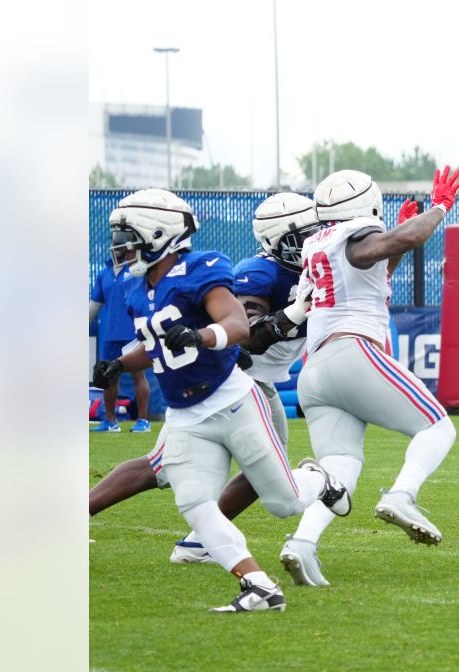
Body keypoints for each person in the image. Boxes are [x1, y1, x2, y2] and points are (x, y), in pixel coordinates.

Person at [91, 188, 350, 612]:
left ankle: (319, 481)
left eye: (128, 236)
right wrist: (118, 363)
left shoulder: (202, 267)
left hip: (233, 398)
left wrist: (202, 335)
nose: (121, 246)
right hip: (187, 411)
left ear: (159, 234)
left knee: (283, 501)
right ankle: (259, 586)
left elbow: (235, 325)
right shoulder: (139, 289)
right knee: (194, 503)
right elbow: (158, 344)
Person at [245, 167, 459, 586]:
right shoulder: (354, 235)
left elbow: (372, 264)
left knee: (339, 474)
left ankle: (302, 543)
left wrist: (397, 233)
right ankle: (402, 495)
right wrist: (439, 208)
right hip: (353, 351)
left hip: (316, 371)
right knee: (437, 428)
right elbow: (399, 240)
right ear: (365, 208)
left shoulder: (315, 243)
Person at [168, 192, 322, 565]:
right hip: (236, 378)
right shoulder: (260, 272)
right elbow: (249, 337)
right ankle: (197, 540)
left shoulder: (309, 267)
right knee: (160, 467)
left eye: (315, 233)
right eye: (301, 237)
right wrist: (299, 309)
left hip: (253, 380)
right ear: (275, 240)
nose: (311, 243)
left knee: (265, 467)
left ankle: (198, 541)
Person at [89, 258, 151, 432]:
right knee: (108, 378)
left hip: (132, 332)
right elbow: (95, 305)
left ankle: (143, 421)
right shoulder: (104, 273)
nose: (117, 246)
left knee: (138, 376)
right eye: (115, 240)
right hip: (109, 334)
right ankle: (110, 422)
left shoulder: (137, 269)